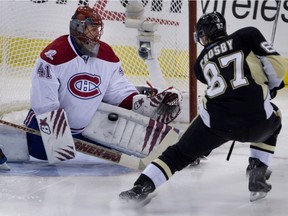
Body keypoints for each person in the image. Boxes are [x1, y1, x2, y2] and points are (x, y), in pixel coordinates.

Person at [119, 11, 288, 202]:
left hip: (217, 123)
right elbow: (279, 67)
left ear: (203, 36)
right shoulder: (247, 35)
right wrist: (272, 86)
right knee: (275, 116)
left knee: (178, 154)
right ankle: (257, 173)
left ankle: (140, 189)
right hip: (257, 120)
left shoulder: (199, 64)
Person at [19, 5, 181, 162]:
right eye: (92, 28)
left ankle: (179, 149)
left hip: (86, 132)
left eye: (98, 28)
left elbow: (117, 90)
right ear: (77, 27)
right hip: (42, 132)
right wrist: (58, 137)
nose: (97, 32)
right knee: (42, 154)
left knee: (118, 143)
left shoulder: (107, 54)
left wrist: (139, 104)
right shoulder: (54, 55)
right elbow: (44, 100)